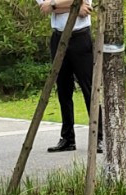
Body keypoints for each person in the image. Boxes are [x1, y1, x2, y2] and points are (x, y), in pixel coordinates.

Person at [38, 0, 97, 154]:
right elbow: (44, 7)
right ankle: (67, 138)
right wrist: (75, 7)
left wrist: (54, 5)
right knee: (63, 89)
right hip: (58, 37)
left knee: (89, 88)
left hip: (80, 36)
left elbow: (85, 7)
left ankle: (99, 137)